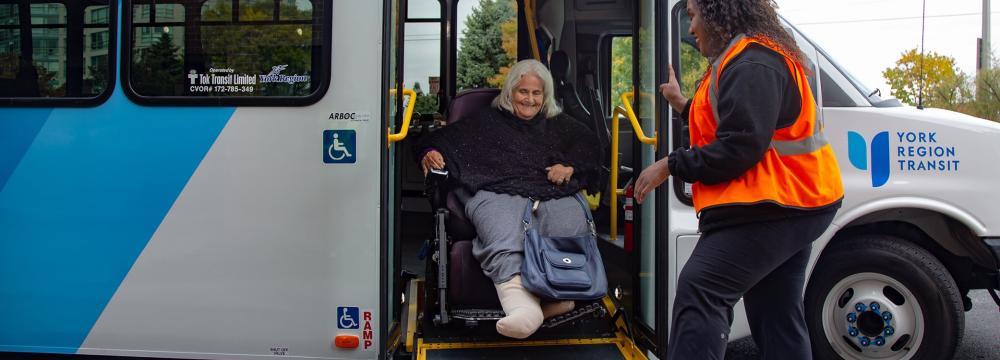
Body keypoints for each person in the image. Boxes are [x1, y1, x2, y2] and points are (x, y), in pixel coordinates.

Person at [632, 0, 844, 359]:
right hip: (792, 202)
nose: (690, 28)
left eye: (694, 16)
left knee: (701, 289)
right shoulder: (745, 58)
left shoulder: (753, 62)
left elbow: (740, 147)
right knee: (776, 309)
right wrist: (681, 103)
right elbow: (733, 122)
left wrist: (669, 164)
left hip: (776, 205)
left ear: (717, 16)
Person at [417, 59, 601, 339]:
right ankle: (524, 310)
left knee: (569, 218)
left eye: (536, 93)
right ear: (510, 92)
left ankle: (555, 298)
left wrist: (570, 167)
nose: (529, 99)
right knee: (502, 227)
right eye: (522, 92)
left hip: (550, 192)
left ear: (545, 95)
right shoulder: (485, 122)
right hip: (496, 190)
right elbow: (440, 140)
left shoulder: (561, 125)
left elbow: (591, 147)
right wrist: (430, 152)